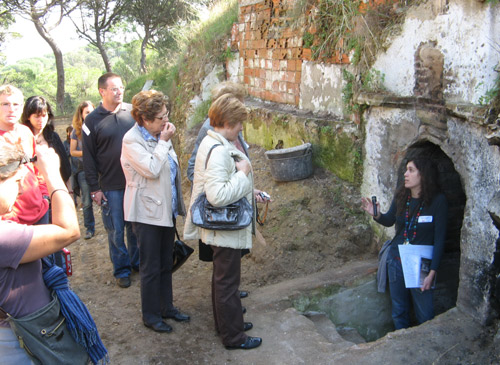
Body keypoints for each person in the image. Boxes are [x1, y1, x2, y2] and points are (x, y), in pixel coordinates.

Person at [184, 94, 262, 350]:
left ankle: (229, 325)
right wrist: (243, 176)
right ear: (228, 121)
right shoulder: (218, 150)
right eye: (239, 123)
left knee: (222, 281)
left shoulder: (211, 141)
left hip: (220, 230)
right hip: (224, 229)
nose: (241, 128)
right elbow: (217, 196)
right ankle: (234, 337)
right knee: (228, 284)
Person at [0, 140, 80, 363]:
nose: (20, 189)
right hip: (21, 344)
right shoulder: (4, 237)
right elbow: (69, 230)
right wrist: (52, 173)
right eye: (16, 181)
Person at [121, 90, 189, 333]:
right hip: (146, 213)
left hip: (164, 210)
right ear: (144, 119)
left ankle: (166, 307)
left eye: (166, 115)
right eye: (160, 118)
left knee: (165, 263)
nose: (166, 121)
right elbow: (151, 168)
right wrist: (163, 142)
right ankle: (151, 316)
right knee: (150, 267)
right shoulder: (132, 140)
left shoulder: (158, 134)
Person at [187, 81, 256, 300]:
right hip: (222, 215)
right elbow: (200, 173)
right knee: (224, 277)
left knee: (228, 277)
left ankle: (230, 304)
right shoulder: (213, 134)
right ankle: (229, 314)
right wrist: (237, 179)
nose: (242, 127)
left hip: (233, 203)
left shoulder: (227, 131)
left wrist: (246, 187)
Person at [361, 157, 448, 330]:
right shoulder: (402, 196)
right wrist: (376, 214)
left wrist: (432, 272)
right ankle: (401, 339)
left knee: (425, 312)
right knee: (399, 310)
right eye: (406, 170)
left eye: (411, 170)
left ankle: (424, 344)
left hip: (421, 263)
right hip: (396, 260)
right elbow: (389, 220)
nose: (405, 174)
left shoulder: (438, 201)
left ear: (423, 174)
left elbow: (440, 240)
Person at [82, 72, 139, 288]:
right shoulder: (92, 120)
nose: (119, 91)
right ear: (102, 91)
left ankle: (137, 263)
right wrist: (95, 189)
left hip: (134, 183)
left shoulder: (132, 113)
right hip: (110, 186)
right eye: (114, 88)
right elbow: (88, 158)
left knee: (135, 227)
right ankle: (121, 269)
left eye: (121, 87)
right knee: (115, 230)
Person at [0, 85, 49, 226]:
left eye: (16, 104)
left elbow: (35, 166)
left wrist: (44, 196)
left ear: (21, 108)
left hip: (39, 210)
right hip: (11, 219)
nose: (11, 109)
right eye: (5, 104)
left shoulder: (26, 132)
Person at [21, 96, 72, 185]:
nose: (41, 120)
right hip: (30, 187)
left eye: (44, 116)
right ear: (28, 116)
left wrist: (69, 191)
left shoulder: (53, 137)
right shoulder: (21, 137)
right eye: (37, 116)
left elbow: (65, 167)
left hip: (54, 186)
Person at [71, 101, 96, 240]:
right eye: (87, 112)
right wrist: (87, 153)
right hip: (84, 169)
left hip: (100, 168)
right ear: (81, 114)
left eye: (92, 111)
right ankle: (89, 228)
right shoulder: (77, 131)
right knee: (87, 201)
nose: (90, 115)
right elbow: (73, 151)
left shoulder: (99, 126)